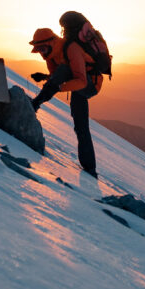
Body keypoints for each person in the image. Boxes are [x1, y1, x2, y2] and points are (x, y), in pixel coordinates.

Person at [29, 12, 104, 177]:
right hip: (77, 84)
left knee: (63, 71)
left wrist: (58, 87)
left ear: (51, 42)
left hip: (90, 84)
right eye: (38, 50)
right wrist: (46, 77)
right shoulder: (51, 56)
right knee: (81, 126)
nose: (41, 52)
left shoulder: (71, 48)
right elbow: (57, 79)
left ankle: (35, 104)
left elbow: (81, 81)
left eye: (42, 48)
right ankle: (90, 169)